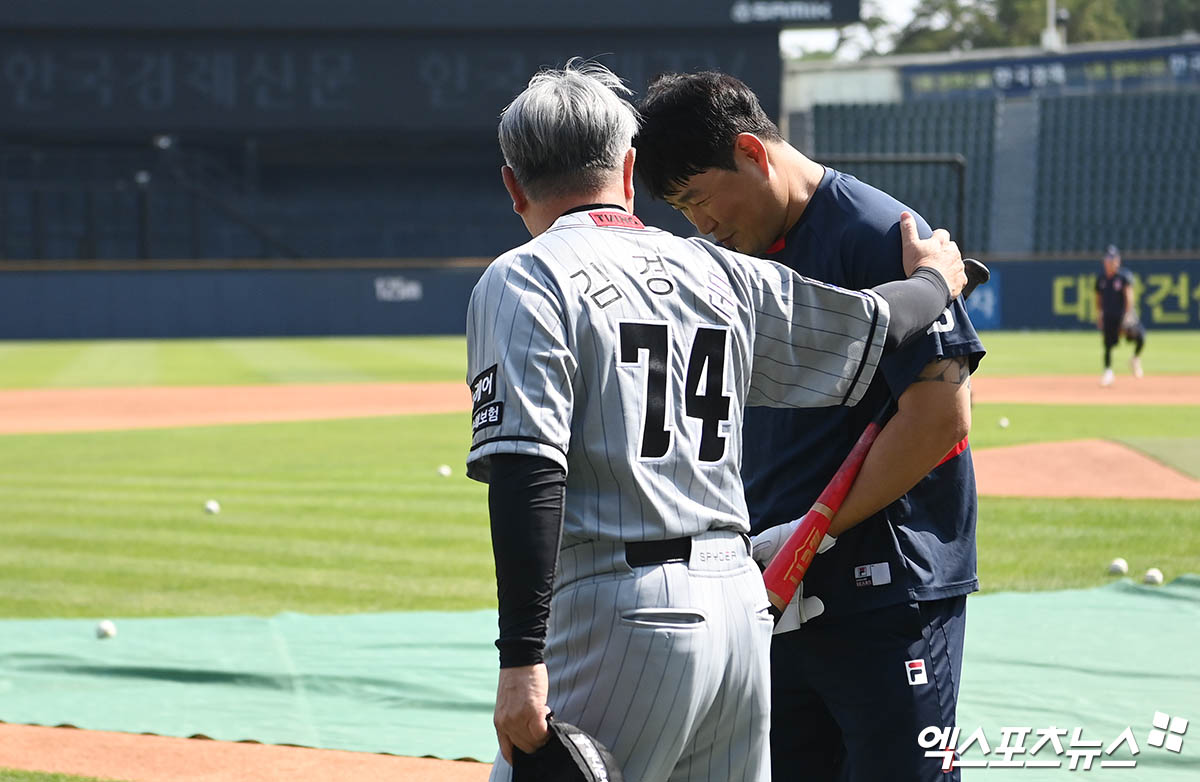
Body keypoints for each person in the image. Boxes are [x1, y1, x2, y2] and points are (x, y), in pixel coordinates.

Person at [465, 60, 968, 782]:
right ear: (629, 168)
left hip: (619, 614)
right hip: (740, 613)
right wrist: (934, 280)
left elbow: (528, 470)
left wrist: (521, 659)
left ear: (514, 185)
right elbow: (878, 323)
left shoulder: (525, 276)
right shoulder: (714, 269)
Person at [634, 71, 986, 782]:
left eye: (699, 198)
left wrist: (808, 534)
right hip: (770, 593)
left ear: (752, 152)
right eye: (680, 208)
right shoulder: (733, 261)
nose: (699, 223)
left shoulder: (880, 233)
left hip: (886, 594)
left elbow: (939, 419)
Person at [1095, 244, 1145, 386]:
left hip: (1123, 315)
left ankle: (1135, 359)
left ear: (1118, 260)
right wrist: (1099, 315)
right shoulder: (1101, 279)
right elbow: (1098, 298)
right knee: (1108, 345)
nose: (1110, 261)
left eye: (1113, 258)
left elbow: (1129, 297)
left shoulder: (1123, 277)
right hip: (1109, 315)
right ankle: (1108, 372)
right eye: (1108, 258)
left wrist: (1128, 315)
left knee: (1140, 337)